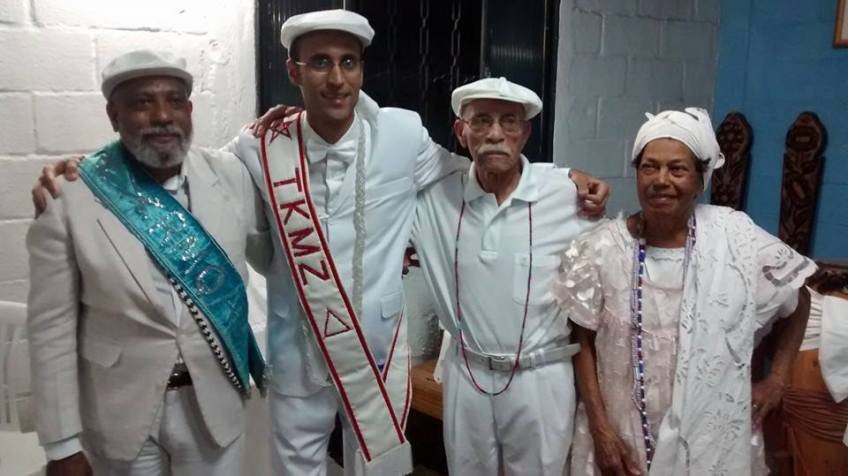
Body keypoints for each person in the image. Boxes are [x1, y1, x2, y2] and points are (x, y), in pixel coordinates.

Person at [31, 10, 609, 475]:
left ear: (361, 69)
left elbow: (479, 166)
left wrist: (566, 179)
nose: (336, 79)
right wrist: (91, 170)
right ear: (294, 71)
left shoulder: (403, 133)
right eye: (320, 63)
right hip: (294, 351)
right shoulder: (257, 147)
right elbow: (175, 165)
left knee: (380, 468)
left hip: (376, 353)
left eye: (348, 62)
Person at [26, 50, 270, 475]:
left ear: (189, 110)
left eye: (175, 101)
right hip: (118, 415)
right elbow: (51, 330)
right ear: (113, 115)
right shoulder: (69, 195)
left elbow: (281, 249)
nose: (162, 116)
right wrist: (61, 445)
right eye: (142, 103)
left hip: (215, 407)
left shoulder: (231, 175)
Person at [554, 107, 815, 475]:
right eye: (649, 167)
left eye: (677, 169)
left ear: (699, 180)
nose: (661, 180)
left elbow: (799, 295)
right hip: (621, 432)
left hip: (711, 434)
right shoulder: (601, 249)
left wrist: (778, 379)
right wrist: (601, 430)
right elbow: (581, 340)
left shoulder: (734, 238)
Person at [410, 77, 597, 475]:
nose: (495, 134)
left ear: (525, 133)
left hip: (540, 377)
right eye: (481, 121)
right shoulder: (433, 199)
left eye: (509, 121)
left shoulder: (568, 197)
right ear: (461, 132)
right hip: (466, 374)